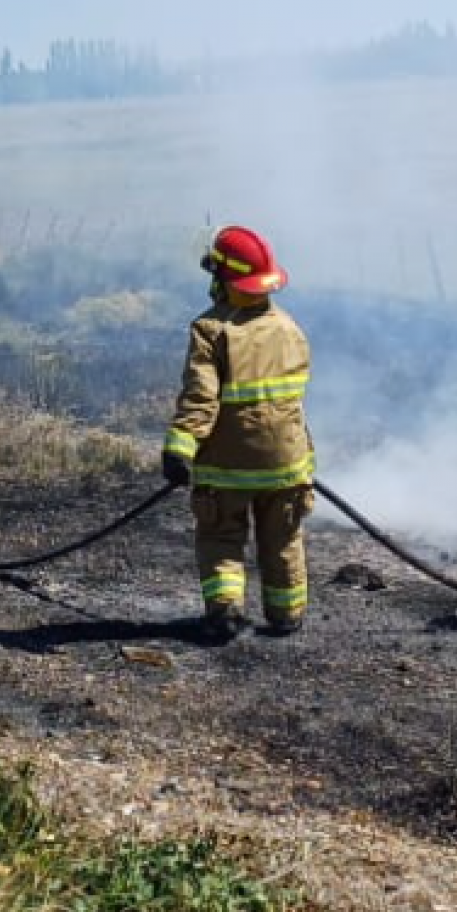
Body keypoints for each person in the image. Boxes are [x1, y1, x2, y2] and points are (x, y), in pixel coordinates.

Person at [161, 225, 316, 642]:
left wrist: (180, 448)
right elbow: (292, 402)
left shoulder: (210, 330)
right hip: (287, 463)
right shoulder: (290, 328)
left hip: (227, 466)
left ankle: (226, 611)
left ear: (224, 279)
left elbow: (201, 398)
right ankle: (286, 615)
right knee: (283, 540)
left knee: (221, 536)